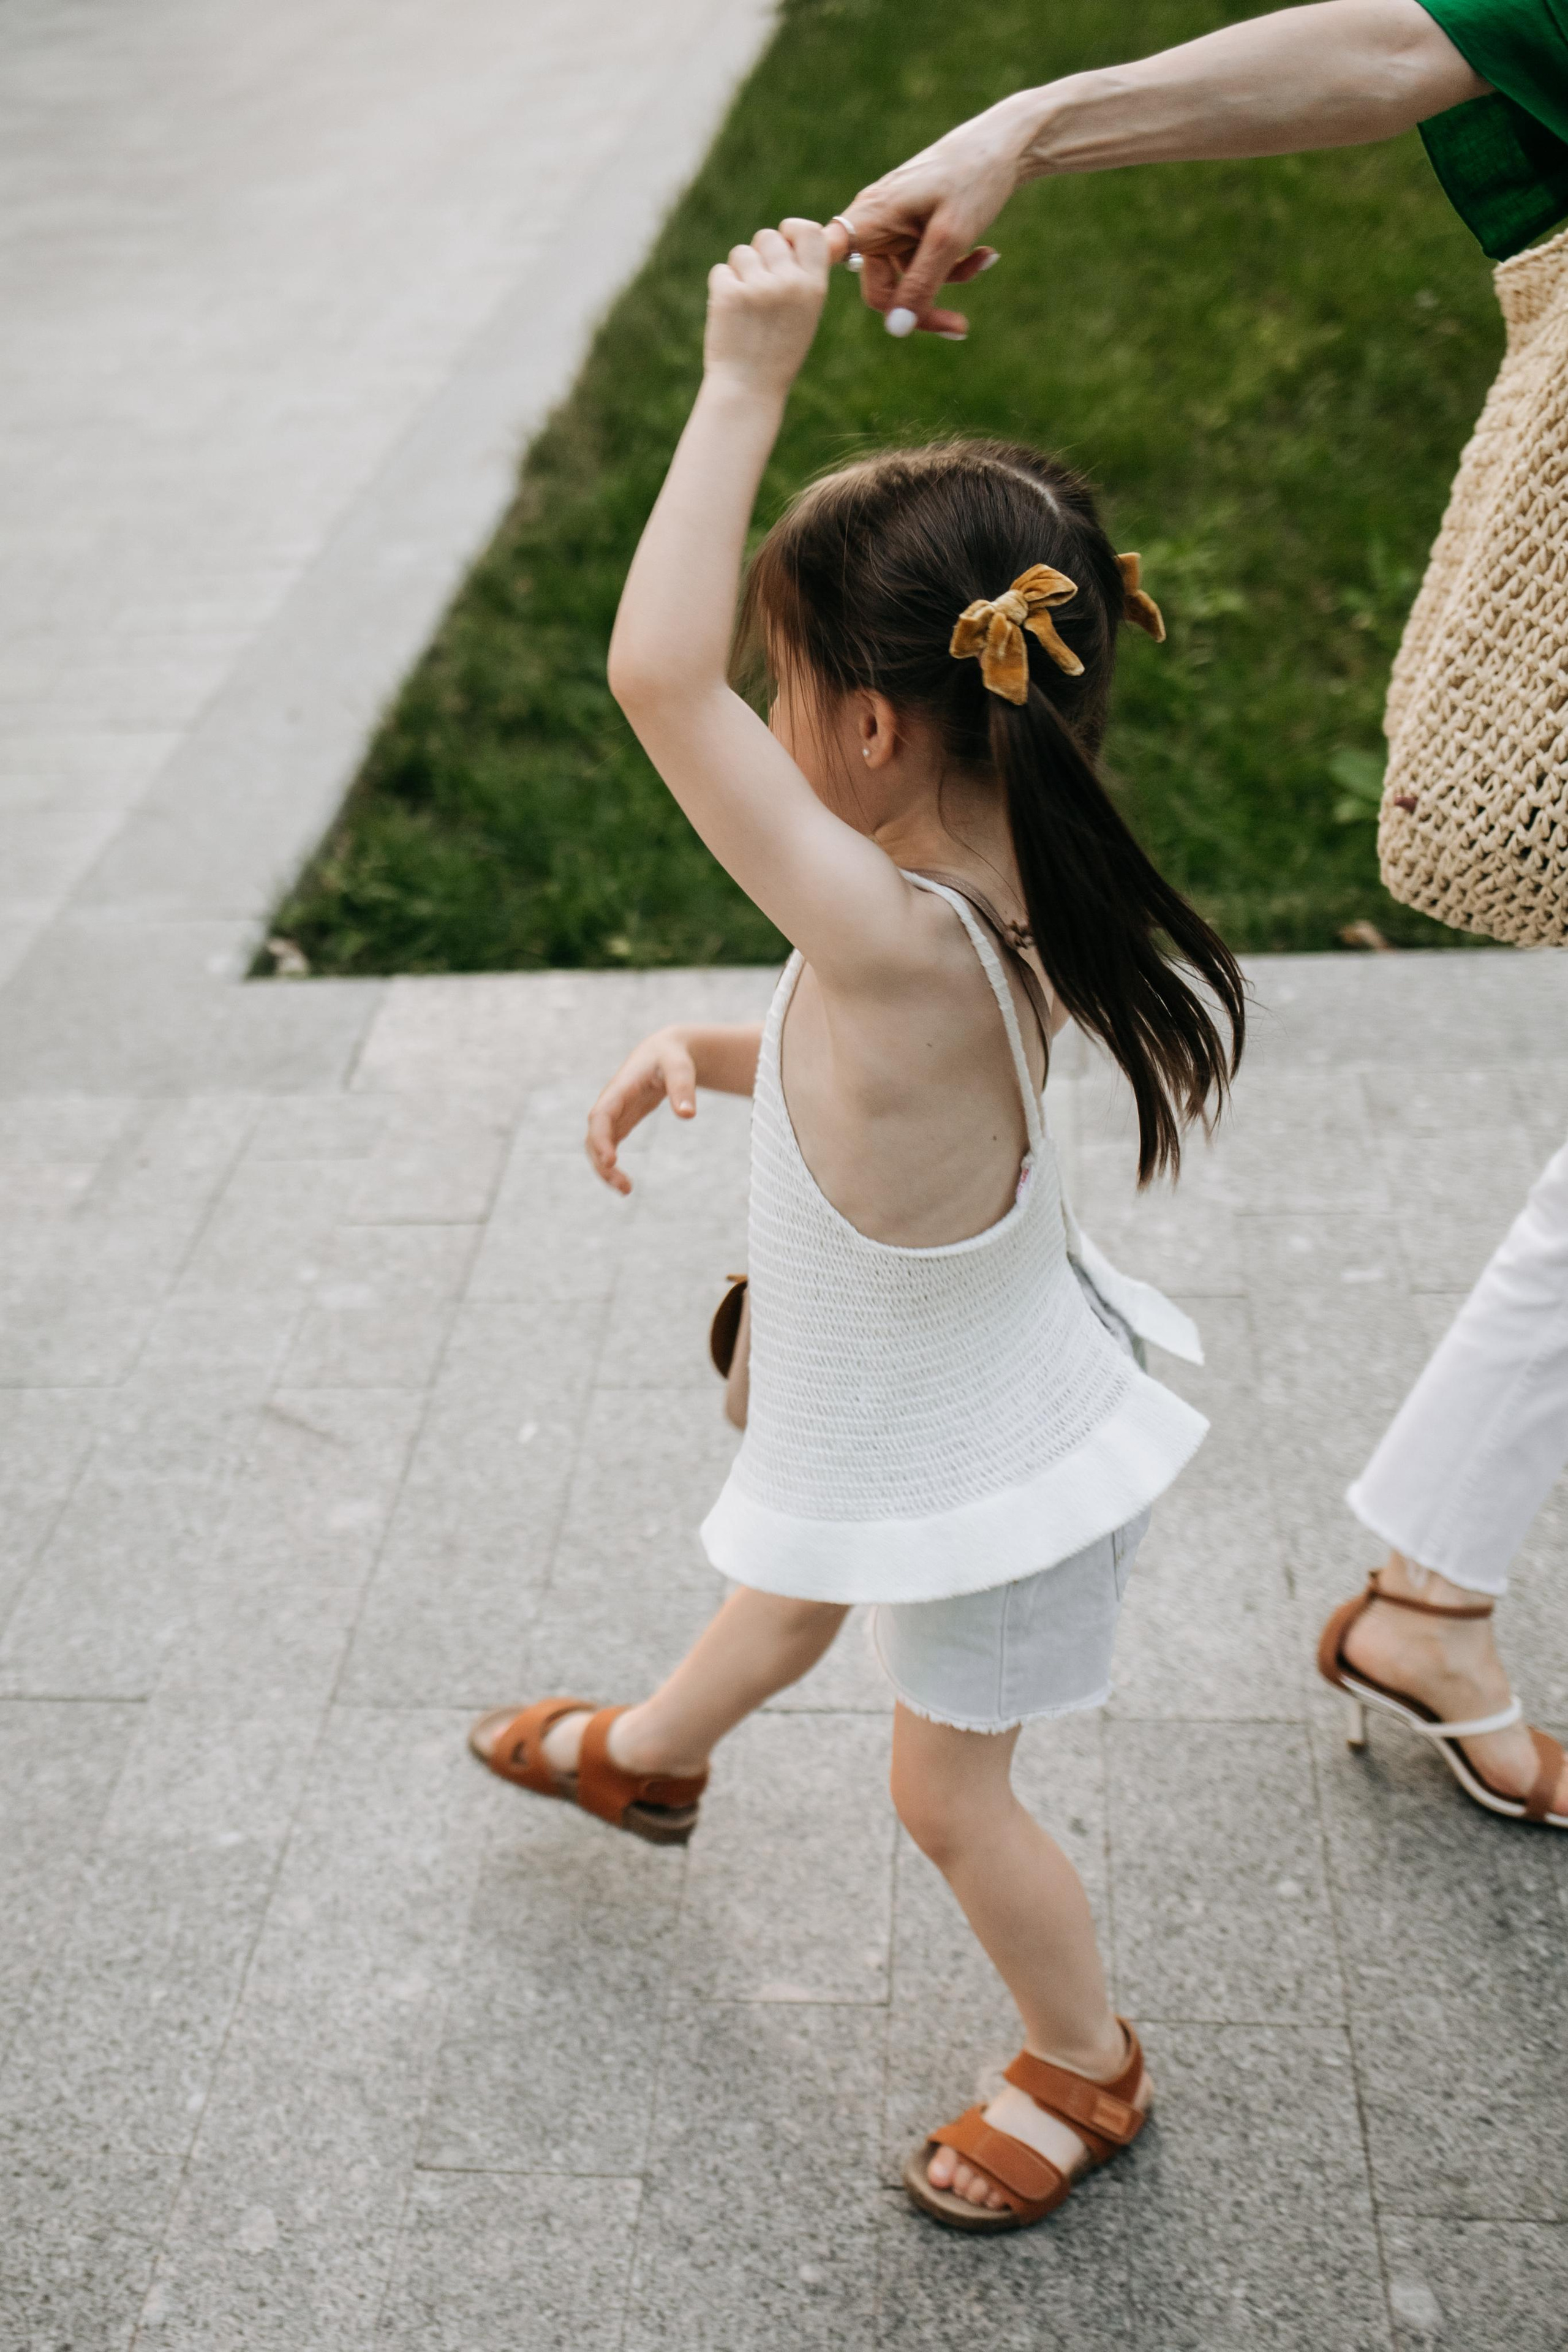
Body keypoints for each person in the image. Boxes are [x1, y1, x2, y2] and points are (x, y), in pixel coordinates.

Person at [471, 217, 1246, 2226]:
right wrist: (720, 1050)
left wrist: (745, 374)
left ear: (877, 734)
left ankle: (1088, 2066)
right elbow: (892, 1065)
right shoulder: (1001, 890)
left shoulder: (906, 934)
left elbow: (650, 672)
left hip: (993, 1464)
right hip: (902, 1398)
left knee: (944, 1794)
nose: (765, 711)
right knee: (791, 1578)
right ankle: (651, 1753)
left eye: (790, 683)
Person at [824, 0, 1568, 1833]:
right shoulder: (919, 949)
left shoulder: (929, 949)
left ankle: (1433, 1597)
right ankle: (1430, 1599)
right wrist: (1036, 124)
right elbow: (1427, 39)